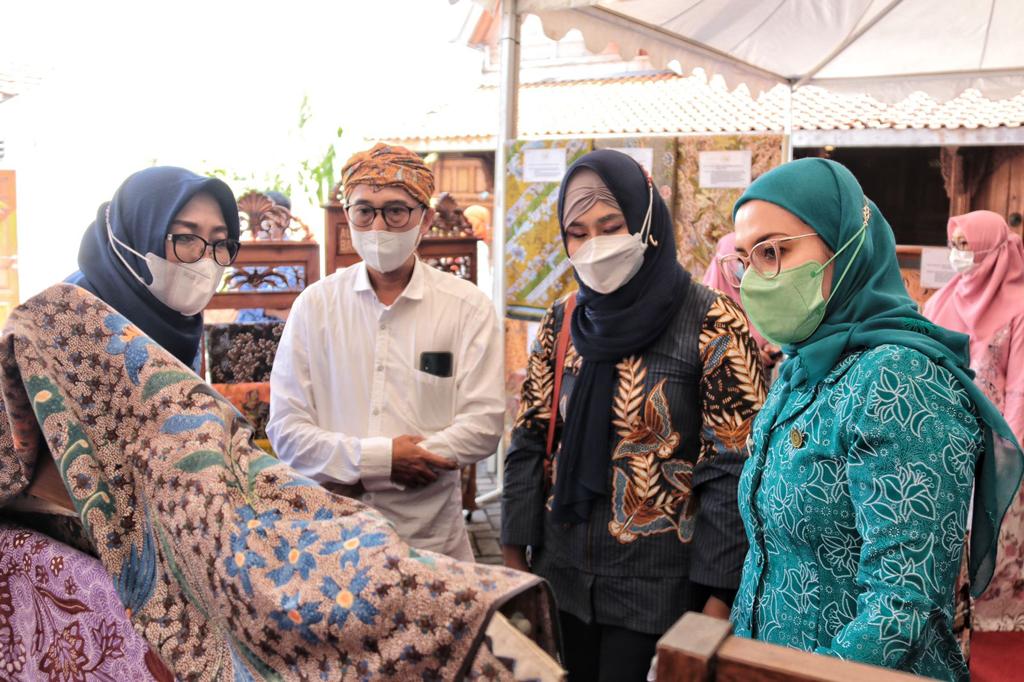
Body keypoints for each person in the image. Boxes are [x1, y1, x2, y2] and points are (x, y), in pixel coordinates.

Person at [728, 158, 1024, 682]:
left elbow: (901, 604)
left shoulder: (899, 378)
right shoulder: (801, 367)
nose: (755, 277)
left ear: (847, 245)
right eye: (745, 259)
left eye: (775, 251)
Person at [502, 150, 766, 681]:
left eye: (611, 225)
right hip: (560, 581)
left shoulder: (712, 320)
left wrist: (717, 603)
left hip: (661, 591)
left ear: (646, 221)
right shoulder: (565, 319)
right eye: (577, 232)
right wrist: (513, 561)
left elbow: (734, 467)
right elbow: (529, 438)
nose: (593, 245)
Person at [268, 143, 504, 561]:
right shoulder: (315, 306)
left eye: (396, 210)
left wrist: (400, 461)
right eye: (365, 211)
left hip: (430, 541)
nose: (378, 225)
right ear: (348, 218)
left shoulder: (466, 308)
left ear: (425, 218)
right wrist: (383, 460)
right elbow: (286, 430)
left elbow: (483, 423)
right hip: (331, 540)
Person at [924, 210, 1024, 632]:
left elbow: (1021, 388)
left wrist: (1006, 454)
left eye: (967, 245)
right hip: (941, 449)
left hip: (996, 447)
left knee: (990, 551)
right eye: (955, 245)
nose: (958, 255)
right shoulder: (939, 301)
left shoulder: (1019, 307)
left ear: (991, 247)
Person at [67, 166, 241, 370]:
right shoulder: (70, 316)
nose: (205, 259)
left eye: (220, 242)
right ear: (136, 234)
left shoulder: (180, 321)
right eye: (185, 237)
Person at [704, 231, 782, 372]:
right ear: (724, 260)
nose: (748, 266)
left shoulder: (761, 290)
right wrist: (748, 354)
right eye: (739, 259)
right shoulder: (707, 305)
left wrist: (773, 347)